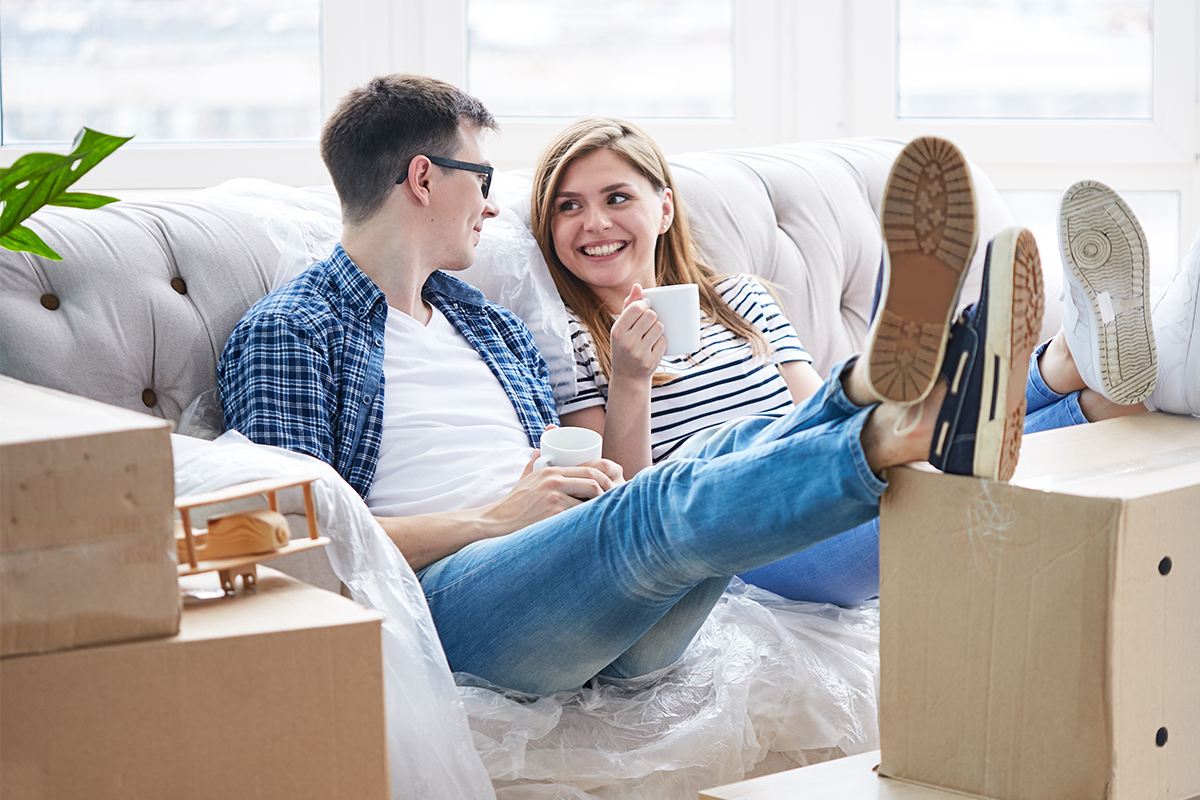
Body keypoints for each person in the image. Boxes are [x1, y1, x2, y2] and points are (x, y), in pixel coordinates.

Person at [213, 75, 1115, 697]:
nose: (492, 206)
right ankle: (903, 425)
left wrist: (562, 496)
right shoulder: (297, 331)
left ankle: (886, 385)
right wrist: (494, 519)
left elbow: (582, 474)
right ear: (424, 178)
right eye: (482, 180)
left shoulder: (488, 326)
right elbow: (283, 543)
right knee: (664, 495)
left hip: (598, 605)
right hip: (461, 605)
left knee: (719, 451)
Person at [527, 117, 1199, 604]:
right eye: (569, 208)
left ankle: (1080, 358)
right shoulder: (572, 343)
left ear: (664, 207)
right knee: (889, 460)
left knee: (1114, 405)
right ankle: (1058, 358)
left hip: (820, 465)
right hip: (736, 536)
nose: (595, 223)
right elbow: (625, 514)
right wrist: (633, 378)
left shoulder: (740, 300)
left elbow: (811, 410)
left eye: (617, 197)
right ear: (549, 228)